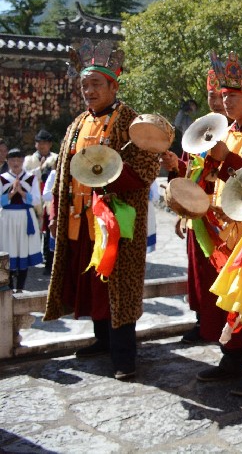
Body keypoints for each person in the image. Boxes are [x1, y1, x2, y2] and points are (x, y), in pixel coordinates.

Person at [43, 39, 160, 381]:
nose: (89, 91)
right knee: (93, 284)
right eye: (84, 85)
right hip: (81, 220)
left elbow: (146, 166)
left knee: (118, 285)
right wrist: (56, 215)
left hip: (115, 220)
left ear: (113, 85)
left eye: (96, 84)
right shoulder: (77, 124)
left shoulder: (130, 120)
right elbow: (62, 173)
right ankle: (101, 340)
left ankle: (124, 357)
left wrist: (109, 177)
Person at [178, 57, 242, 393]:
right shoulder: (230, 130)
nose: (226, 101)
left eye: (234, 96)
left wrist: (226, 160)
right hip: (226, 229)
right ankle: (231, 358)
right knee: (231, 300)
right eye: (224, 95)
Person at [0, 148, 43, 291]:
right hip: (7, 218)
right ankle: (9, 286)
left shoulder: (31, 177)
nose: (15, 163)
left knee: (23, 249)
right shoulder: (3, 178)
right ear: (8, 161)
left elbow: (37, 200)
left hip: (25, 217)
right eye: (12, 160)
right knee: (8, 249)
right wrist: (11, 194)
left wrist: (22, 192)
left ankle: (20, 287)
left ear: (23, 161)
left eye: (18, 160)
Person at [26, 129, 59, 272]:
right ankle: (31, 257)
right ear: (35, 144)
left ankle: (48, 258)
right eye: (39, 142)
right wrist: (39, 170)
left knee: (48, 229)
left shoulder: (56, 158)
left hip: (48, 200)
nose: (42, 145)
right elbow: (26, 177)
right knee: (32, 230)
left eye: (44, 142)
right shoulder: (29, 160)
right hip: (34, 198)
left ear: (50, 144)